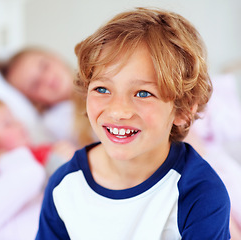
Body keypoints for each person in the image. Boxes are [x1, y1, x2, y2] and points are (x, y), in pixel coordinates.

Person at [36, 7, 230, 240]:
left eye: (143, 93)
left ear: (183, 110)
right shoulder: (64, 186)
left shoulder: (200, 194)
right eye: (102, 89)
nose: (118, 111)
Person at [0, 47, 95, 147]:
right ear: (35, 102)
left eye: (44, 66)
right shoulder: (57, 121)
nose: (47, 78)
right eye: (35, 85)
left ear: (55, 57)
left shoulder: (98, 72)